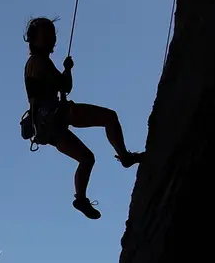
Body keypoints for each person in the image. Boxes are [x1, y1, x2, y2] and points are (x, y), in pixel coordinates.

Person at [23, 17, 144, 219]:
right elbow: (64, 86)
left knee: (87, 158)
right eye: (47, 35)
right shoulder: (39, 62)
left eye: (53, 35)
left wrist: (66, 71)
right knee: (109, 117)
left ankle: (80, 199)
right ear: (35, 40)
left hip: (47, 127)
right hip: (57, 114)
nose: (52, 39)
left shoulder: (36, 62)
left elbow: (61, 86)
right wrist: (67, 70)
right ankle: (124, 157)